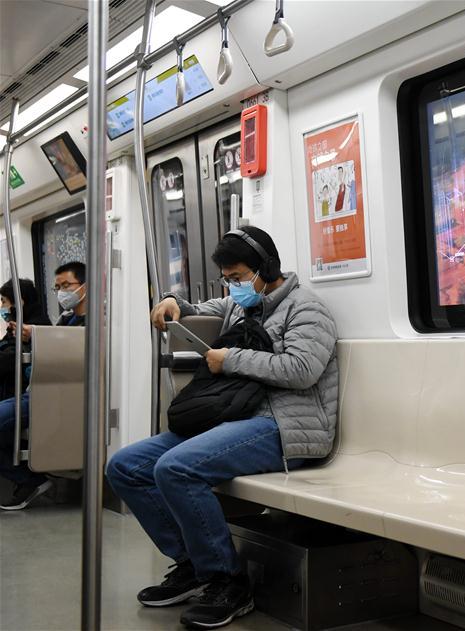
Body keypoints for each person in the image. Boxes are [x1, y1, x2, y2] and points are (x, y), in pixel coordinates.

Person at [106, 226, 338, 629]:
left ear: (266, 267)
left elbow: (301, 370)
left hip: (284, 425)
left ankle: (227, 581)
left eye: (238, 277)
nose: (233, 287)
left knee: (175, 468)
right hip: (233, 417)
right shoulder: (238, 307)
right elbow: (197, 308)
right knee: (125, 466)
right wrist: (171, 301)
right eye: (227, 280)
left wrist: (230, 359)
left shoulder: (306, 308)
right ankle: (194, 565)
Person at [0, 262, 87, 511]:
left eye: (66, 285)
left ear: (85, 286)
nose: (61, 292)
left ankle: (29, 480)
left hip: (55, 396)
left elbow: (66, 361)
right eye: (57, 287)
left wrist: (34, 338)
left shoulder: (94, 325)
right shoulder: (65, 320)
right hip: (37, 390)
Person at [0, 278, 51, 399]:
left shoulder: (33, 329)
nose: (2, 306)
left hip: (23, 395)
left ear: (19, 302)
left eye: (4, 301)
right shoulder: (16, 325)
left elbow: (8, 359)